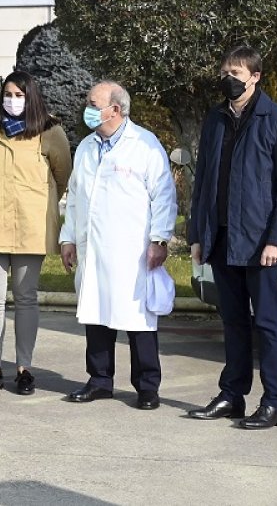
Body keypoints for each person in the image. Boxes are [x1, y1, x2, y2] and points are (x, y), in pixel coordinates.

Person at [186, 46, 277, 430]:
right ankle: (232, 395)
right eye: (225, 71)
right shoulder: (216, 119)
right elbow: (202, 182)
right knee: (233, 322)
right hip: (220, 239)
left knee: (268, 324)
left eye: (236, 71)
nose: (228, 78)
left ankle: (273, 403)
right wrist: (198, 235)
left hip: (259, 243)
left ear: (254, 76)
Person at [58, 81, 177, 410]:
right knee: (96, 314)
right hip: (93, 249)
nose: (88, 108)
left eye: (94, 103)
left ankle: (147, 387)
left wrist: (160, 239)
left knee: (137, 320)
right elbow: (75, 198)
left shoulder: (144, 145)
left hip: (132, 251)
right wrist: (68, 238)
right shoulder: (85, 147)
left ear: (116, 109)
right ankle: (99, 380)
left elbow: (164, 195)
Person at [0, 71, 71, 395]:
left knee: (26, 298)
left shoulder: (50, 131)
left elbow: (62, 173)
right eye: (7, 94)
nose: (12, 100)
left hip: (31, 223)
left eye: (19, 95)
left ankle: (24, 368)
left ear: (31, 97)